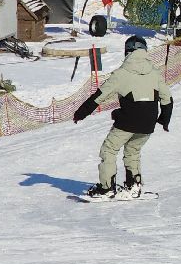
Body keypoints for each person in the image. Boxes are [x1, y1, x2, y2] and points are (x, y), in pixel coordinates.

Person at [72, 35, 173, 199]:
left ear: (127, 51)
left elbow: (99, 96)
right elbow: (167, 99)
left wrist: (80, 114)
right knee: (133, 151)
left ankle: (107, 188)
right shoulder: (154, 73)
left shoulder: (121, 73)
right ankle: (134, 185)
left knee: (109, 150)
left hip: (128, 120)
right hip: (148, 123)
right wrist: (164, 120)